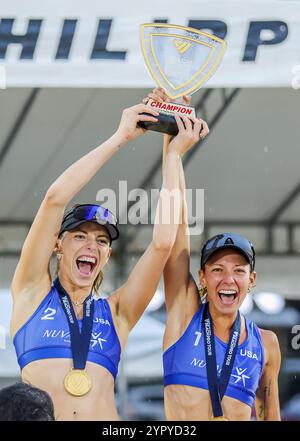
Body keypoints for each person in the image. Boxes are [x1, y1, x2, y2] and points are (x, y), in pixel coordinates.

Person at [10, 101, 207, 420]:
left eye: (101, 240)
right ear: (58, 245)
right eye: (80, 236)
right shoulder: (32, 292)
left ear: (107, 255)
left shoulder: (117, 313)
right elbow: (54, 199)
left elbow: (162, 243)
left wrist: (172, 154)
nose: (92, 245)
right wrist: (120, 137)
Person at [146, 88, 281, 421]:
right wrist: (171, 140)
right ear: (202, 277)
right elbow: (177, 230)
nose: (228, 278)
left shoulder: (267, 343)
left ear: (251, 280)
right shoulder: (184, 315)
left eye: (238, 271)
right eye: (217, 269)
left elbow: (270, 416)